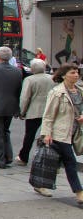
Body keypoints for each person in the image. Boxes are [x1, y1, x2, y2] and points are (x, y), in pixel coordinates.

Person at [37, 63, 83, 203]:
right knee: (70, 161)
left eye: (77, 72)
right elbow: (48, 115)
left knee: (54, 161)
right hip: (60, 133)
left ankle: (39, 183)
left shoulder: (80, 90)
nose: (76, 75)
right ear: (64, 75)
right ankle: (79, 192)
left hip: (76, 132)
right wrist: (46, 134)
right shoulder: (57, 92)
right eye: (72, 73)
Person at [16, 58, 54, 165]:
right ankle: (53, 159)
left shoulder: (29, 80)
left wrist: (22, 112)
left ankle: (24, 157)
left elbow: (25, 98)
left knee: (29, 135)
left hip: (34, 111)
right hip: (50, 110)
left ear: (32, 69)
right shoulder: (52, 78)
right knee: (50, 134)